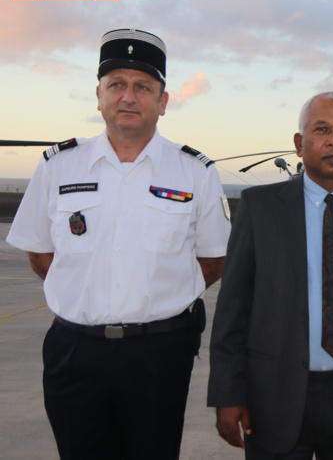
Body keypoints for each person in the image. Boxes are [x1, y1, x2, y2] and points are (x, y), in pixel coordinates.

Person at [5, 28, 231, 459]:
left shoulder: (195, 173)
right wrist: (82, 290)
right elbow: (39, 250)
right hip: (74, 351)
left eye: (142, 86)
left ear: (163, 102)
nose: (128, 97)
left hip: (158, 354)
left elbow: (212, 260)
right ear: (99, 96)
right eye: (117, 85)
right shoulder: (59, 165)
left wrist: (154, 300)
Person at [208, 92, 333, 459]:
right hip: (274, 396)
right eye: (321, 129)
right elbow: (232, 308)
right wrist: (228, 393)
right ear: (300, 144)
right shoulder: (259, 208)